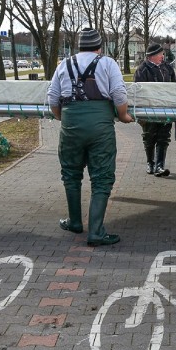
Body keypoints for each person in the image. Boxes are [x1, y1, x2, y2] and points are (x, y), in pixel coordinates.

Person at [48, 27, 134, 247]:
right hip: (100, 125)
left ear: (79, 46)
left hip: (70, 123)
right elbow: (119, 93)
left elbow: (53, 98)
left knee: (70, 172)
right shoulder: (107, 63)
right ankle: (96, 232)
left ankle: (75, 222)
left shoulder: (63, 64)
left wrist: (63, 118)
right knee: (102, 176)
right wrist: (123, 115)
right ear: (99, 47)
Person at [133, 42, 176, 176]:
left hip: (166, 109)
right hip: (149, 110)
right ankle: (150, 163)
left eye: (162, 54)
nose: (162, 56)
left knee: (164, 137)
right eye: (160, 54)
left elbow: (174, 86)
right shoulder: (142, 70)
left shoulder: (167, 68)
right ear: (151, 56)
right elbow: (138, 91)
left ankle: (160, 165)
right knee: (149, 136)